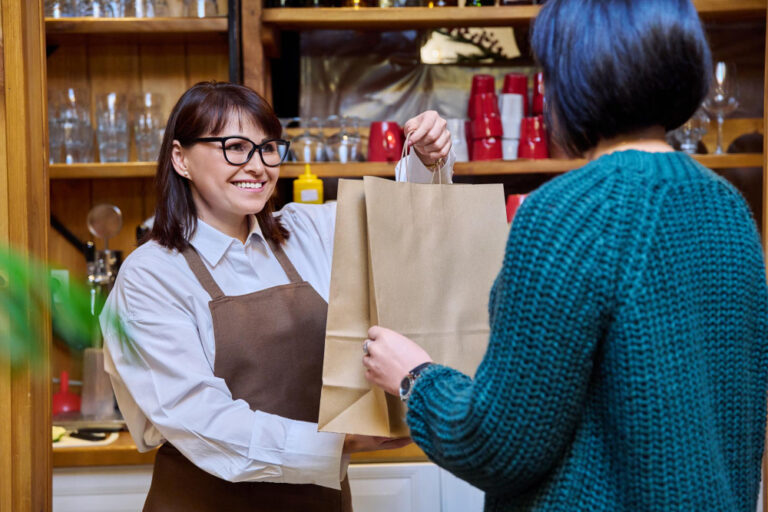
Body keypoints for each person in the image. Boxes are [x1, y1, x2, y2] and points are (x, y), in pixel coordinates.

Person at [363, 1, 768, 510]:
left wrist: (415, 377)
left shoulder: (568, 213)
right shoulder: (729, 208)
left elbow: (498, 447)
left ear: (572, 81)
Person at [99, 81, 454, 512]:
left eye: (268, 148)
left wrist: (425, 157)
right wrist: (337, 444)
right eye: (235, 147)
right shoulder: (150, 276)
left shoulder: (307, 231)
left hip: (319, 501)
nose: (257, 166)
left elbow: (406, 227)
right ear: (181, 158)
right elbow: (201, 419)